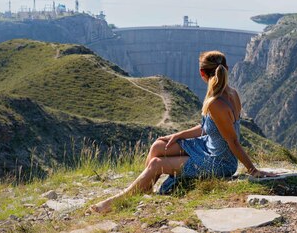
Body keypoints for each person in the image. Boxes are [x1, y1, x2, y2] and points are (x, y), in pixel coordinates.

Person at [91, 50, 275, 213]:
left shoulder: (217, 102)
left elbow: (233, 141)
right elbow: (208, 128)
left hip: (219, 162)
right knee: (159, 145)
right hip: (208, 147)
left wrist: (253, 170)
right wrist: (177, 135)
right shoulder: (229, 93)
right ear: (226, 68)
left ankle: (117, 201)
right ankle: (146, 187)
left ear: (202, 73)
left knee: (156, 163)